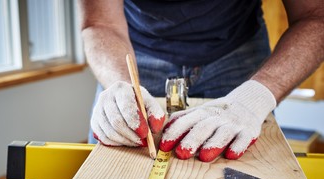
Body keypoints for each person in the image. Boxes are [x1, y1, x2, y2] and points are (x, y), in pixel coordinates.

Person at [78, 0, 324, 162]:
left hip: (237, 50)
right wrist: (119, 84)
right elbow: (100, 22)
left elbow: (316, 16)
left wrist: (253, 99)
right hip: (130, 50)